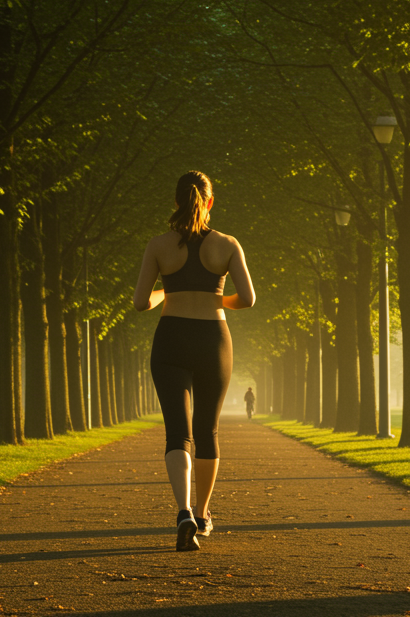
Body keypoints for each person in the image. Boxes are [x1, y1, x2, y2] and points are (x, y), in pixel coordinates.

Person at [134, 171, 255, 552]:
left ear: (176, 202)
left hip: (170, 339)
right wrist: (219, 299)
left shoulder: (158, 245)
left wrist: (166, 294)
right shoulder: (227, 244)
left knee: (177, 432)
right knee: (207, 431)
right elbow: (248, 298)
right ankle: (203, 516)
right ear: (210, 201)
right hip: (213, 340)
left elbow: (141, 302)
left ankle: (183, 511)